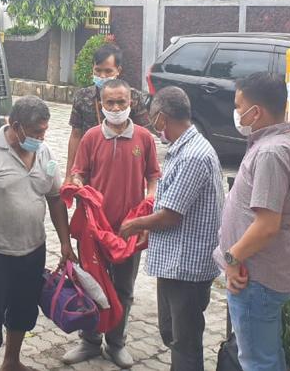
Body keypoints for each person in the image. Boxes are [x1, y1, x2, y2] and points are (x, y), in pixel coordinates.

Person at [0, 95, 77, 371]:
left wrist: (65, 242)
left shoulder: (44, 152)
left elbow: (55, 198)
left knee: (24, 307)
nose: (42, 137)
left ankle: (11, 361)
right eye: (36, 132)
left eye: (44, 131)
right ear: (16, 125)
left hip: (33, 248)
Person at [119, 86, 223, 371]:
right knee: (172, 332)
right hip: (173, 262)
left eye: (153, 118)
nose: (154, 125)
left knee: (185, 341)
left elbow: (170, 215)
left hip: (186, 266)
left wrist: (134, 224)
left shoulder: (193, 155)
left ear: (162, 118)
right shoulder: (182, 148)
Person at [213, 72, 290, 371]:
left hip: (254, 277)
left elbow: (267, 225)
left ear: (256, 112)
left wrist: (232, 258)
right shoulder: (281, 145)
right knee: (267, 355)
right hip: (260, 275)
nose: (236, 112)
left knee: (257, 361)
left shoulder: (271, 152)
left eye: (238, 105)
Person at [61, 79, 161, 368]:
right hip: (94, 229)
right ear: (101, 104)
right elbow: (79, 172)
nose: (116, 108)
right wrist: (77, 184)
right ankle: (90, 341)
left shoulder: (144, 138)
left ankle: (116, 343)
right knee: (91, 284)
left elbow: (153, 175)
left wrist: (149, 201)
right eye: (110, 103)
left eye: (121, 102)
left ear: (131, 103)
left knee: (124, 289)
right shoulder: (91, 137)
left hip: (129, 229)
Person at [66, 43, 151, 175]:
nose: (102, 76)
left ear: (118, 70)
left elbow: (144, 135)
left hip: (125, 165)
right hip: (90, 165)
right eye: (98, 70)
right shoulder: (82, 97)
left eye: (108, 71)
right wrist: (69, 174)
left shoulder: (133, 97)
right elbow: (76, 135)